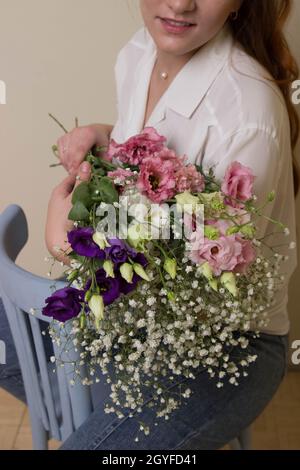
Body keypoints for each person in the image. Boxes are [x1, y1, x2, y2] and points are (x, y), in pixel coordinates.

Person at [1, 0, 298, 449]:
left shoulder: (247, 113)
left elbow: (196, 292)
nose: (180, 3)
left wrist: (69, 247)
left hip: (222, 344)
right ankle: (98, 428)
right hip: (128, 323)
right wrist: (104, 136)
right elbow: (143, 167)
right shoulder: (139, 53)